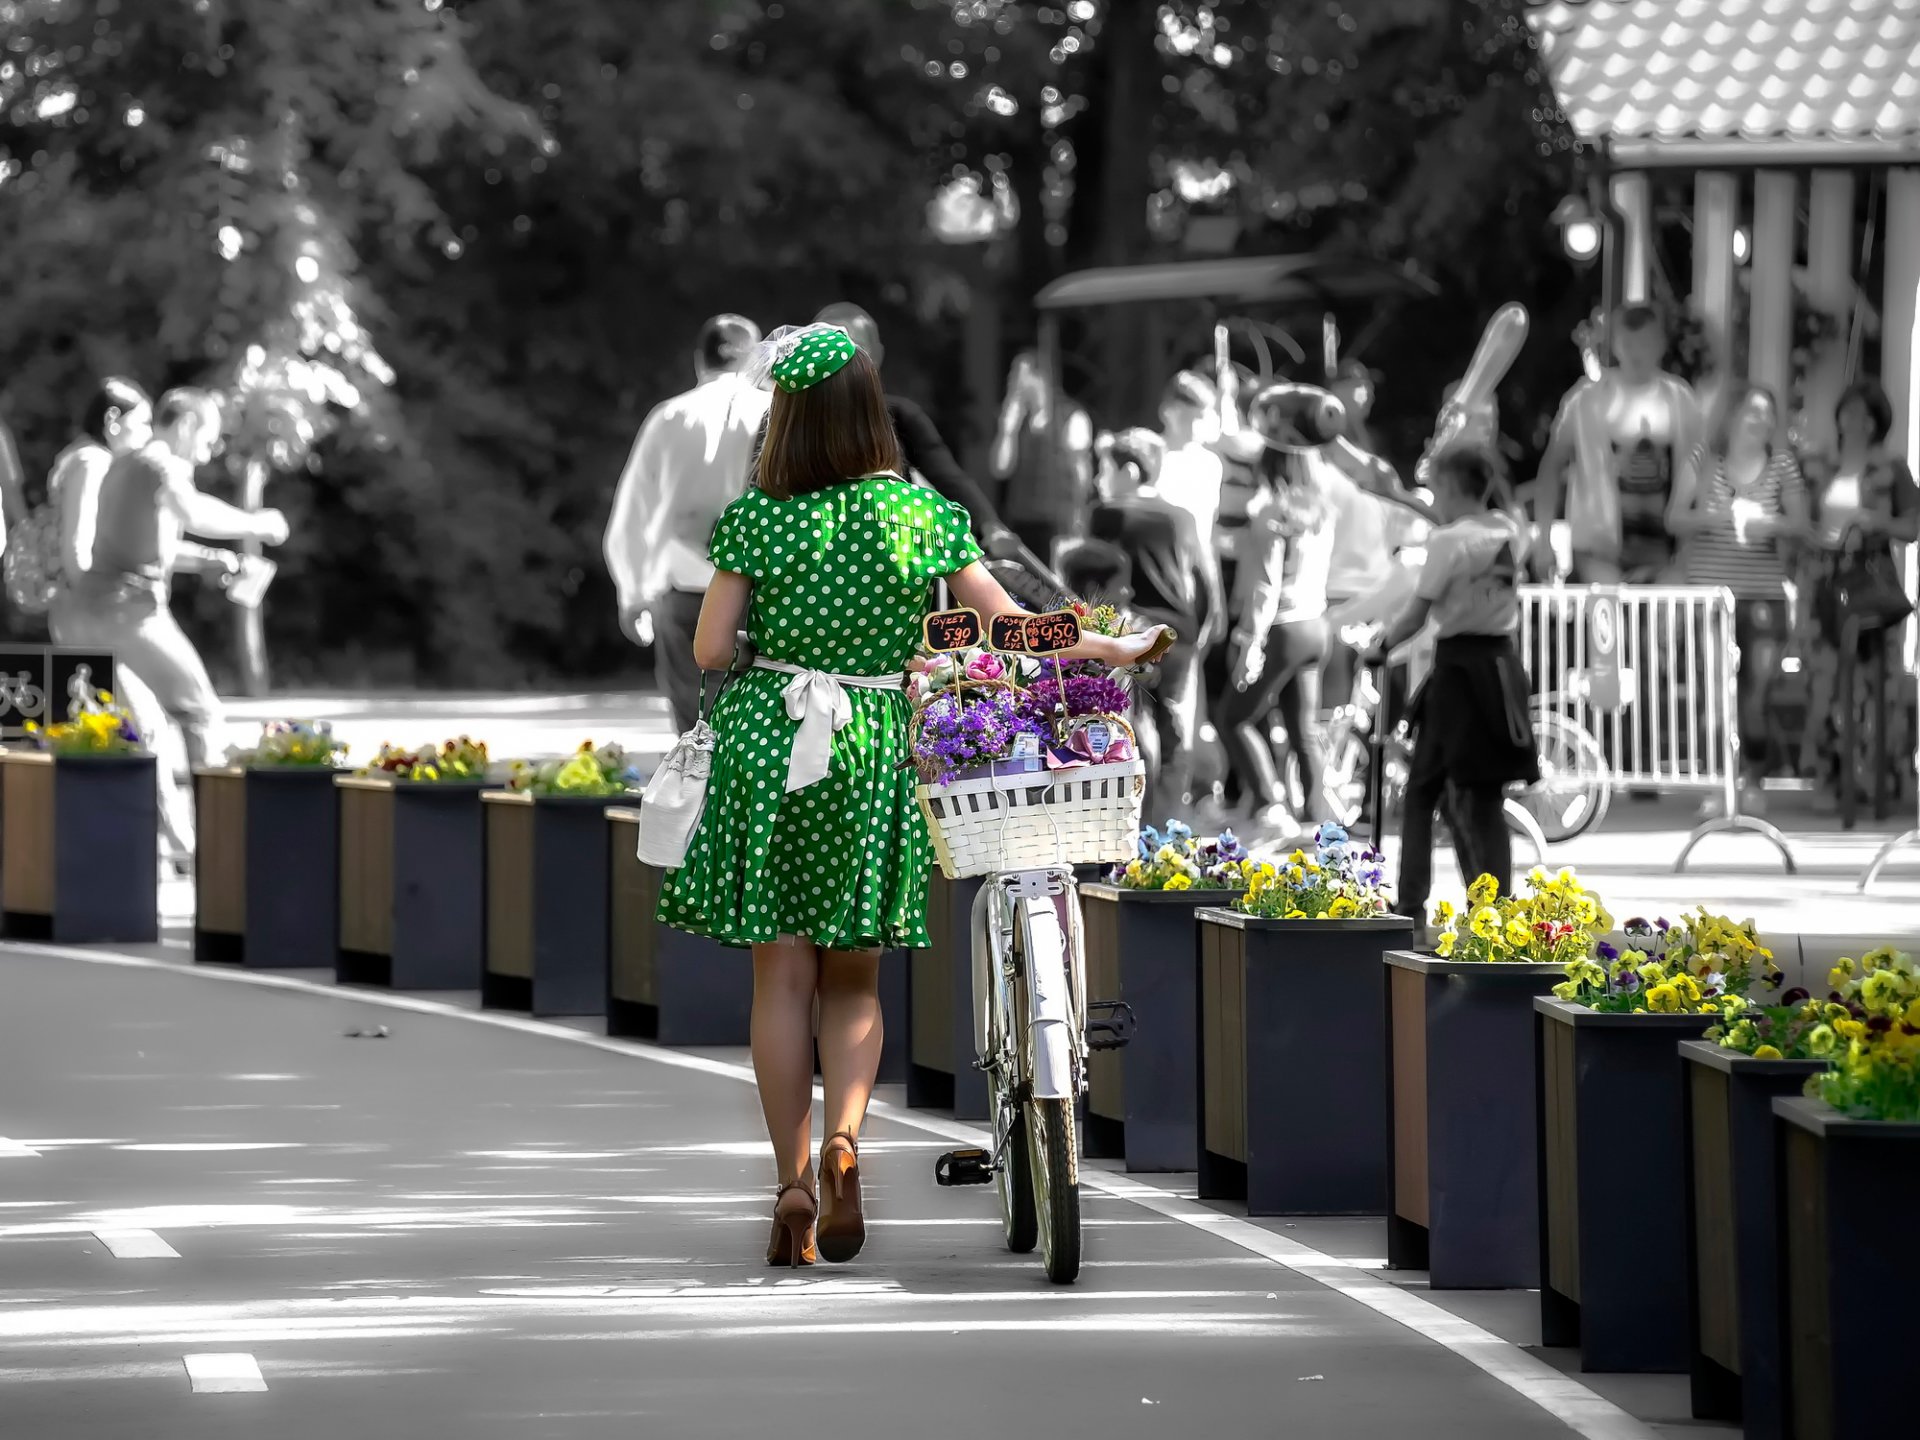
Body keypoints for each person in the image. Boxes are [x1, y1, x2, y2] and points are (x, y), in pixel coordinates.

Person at [656, 322, 1168, 1268]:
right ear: (869, 415)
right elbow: (1009, 628)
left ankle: (793, 1183)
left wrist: (776, 643)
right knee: (853, 978)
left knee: (781, 976)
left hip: (772, 742)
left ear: (786, 420)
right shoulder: (918, 513)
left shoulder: (757, 517)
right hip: (870, 743)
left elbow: (711, 650)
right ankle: (847, 1143)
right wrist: (1103, 642)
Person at [57, 388, 289, 858]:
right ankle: (222, 850)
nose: (208, 452)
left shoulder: (123, 466)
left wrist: (213, 561)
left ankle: (175, 845)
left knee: (145, 730)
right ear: (184, 425)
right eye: (207, 438)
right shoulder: (160, 462)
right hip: (129, 613)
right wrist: (258, 524)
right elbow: (192, 510)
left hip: (81, 618)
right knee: (201, 714)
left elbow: (147, 545)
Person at [1365, 442, 1538, 930]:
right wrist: (1402, 498)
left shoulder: (1447, 542)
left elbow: (1417, 613)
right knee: (1466, 790)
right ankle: (1482, 905)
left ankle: (1427, 905)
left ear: (1450, 485)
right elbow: (1459, 523)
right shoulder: (1508, 528)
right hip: (1499, 665)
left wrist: (1381, 645)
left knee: (1444, 793)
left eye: (1436, 487)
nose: (1433, 497)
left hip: (1460, 671)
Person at [604, 314, 769, 736]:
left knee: (693, 726)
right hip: (761, 592)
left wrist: (632, 593)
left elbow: (634, 510)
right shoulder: (773, 412)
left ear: (700, 361)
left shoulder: (669, 416)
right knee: (760, 716)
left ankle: (698, 779)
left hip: (683, 593)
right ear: (757, 360)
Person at [1668, 381, 1810, 807]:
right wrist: (1716, 517)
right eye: (1753, 411)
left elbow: (1802, 526)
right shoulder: (1703, 460)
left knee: (1756, 695)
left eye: (1768, 413)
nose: (1761, 420)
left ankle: (1752, 782)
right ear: (1731, 416)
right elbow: (1674, 518)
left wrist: (1770, 523)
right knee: (1715, 693)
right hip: (1711, 598)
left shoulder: (1782, 465)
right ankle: (1719, 785)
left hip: (1764, 596)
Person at [1218, 385, 1344, 833]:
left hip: (1284, 627)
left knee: (1233, 718)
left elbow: (1265, 586)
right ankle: (1317, 822)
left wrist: (1249, 642)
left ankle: (1270, 802)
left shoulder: (1272, 510)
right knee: (1302, 729)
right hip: (1316, 625)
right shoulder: (1321, 509)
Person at [811, 303, 1021, 561]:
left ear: (876, 356)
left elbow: (948, 477)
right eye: (830, 350)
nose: (843, 362)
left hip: (889, 552)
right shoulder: (790, 421)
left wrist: (989, 526)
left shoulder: (900, 416)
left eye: (855, 349)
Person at [1799, 379, 1920, 810]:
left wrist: (1875, 521)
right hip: (1824, 582)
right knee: (1826, 680)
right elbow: (1802, 521)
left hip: (1872, 581)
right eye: (1848, 412)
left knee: (1880, 683)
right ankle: (1832, 776)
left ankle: (1882, 776)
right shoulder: (1820, 467)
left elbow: (1912, 527)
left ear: (1877, 422)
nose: (1854, 422)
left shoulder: (1892, 468)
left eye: (1864, 415)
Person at [1085, 427, 1211, 812]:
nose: (1098, 479)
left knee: (1134, 727)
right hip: (1181, 633)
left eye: (1104, 469)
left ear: (1129, 472)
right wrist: (1199, 633)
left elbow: (1093, 573)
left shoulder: (1108, 514)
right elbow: (1203, 580)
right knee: (1176, 729)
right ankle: (1168, 824)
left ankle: (1137, 820)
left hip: (1133, 633)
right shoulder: (1183, 516)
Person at [1532, 303, 1704, 582]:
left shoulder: (1680, 399)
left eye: (1645, 343)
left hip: (1665, 551)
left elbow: (1703, 470)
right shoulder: (1584, 400)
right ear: (1615, 345)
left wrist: (1696, 540)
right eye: (1628, 343)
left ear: (1660, 344)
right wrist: (1543, 540)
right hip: (1599, 550)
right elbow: (1551, 467)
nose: (1636, 352)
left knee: (1667, 608)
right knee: (1606, 608)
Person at [989, 349, 1093, 566]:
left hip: (1058, 525)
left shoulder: (1071, 415)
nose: (1012, 382)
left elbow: (1081, 474)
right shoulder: (1018, 419)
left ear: (1038, 377)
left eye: (1018, 375)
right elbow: (1000, 468)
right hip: (1020, 522)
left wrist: (1079, 522)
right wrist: (1007, 430)